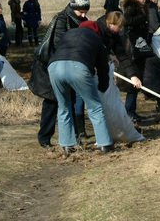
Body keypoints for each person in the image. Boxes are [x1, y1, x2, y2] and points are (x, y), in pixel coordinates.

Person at [48, 21, 112, 156]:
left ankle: (67, 145)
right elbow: (103, 66)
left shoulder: (68, 33)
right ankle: (104, 144)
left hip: (54, 67)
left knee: (63, 106)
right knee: (95, 106)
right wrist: (103, 85)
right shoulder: (96, 39)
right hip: (78, 67)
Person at [36, 0, 90, 148]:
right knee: (52, 102)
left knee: (71, 101)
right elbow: (60, 45)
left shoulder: (82, 21)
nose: (83, 14)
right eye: (81, 11)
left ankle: (73, 137)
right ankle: (44, 138)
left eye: (85, 11)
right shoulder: (61, 19)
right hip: (53, 66)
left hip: (72, 66)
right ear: (73, 8)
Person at [120, 0, 150, 122]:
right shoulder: (132, 8)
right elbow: (126, 21)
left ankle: (131, 110)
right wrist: (142, 19)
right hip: (133, 48)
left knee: (138, 80)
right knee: (134, 81)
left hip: (139, 46)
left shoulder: (141, 8)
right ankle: (129, 112)